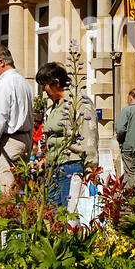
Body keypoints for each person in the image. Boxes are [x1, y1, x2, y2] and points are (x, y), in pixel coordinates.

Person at [36, 62, 99, 208]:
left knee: (67, 216)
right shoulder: (55, 105)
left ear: (56, 82)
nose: (43, 90)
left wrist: (90, 173)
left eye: (44, 85)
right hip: (54, 167)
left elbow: (89, 139)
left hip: (72, 167)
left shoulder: (79, 102)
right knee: (50, 215)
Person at [0, 46, 34, 194]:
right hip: (24, 141)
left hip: (9, 142)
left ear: (1, 62)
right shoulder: (24, 83)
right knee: (21, 190)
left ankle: (11, 217)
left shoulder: (3, 84)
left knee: (7, 192)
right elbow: (30, 115)